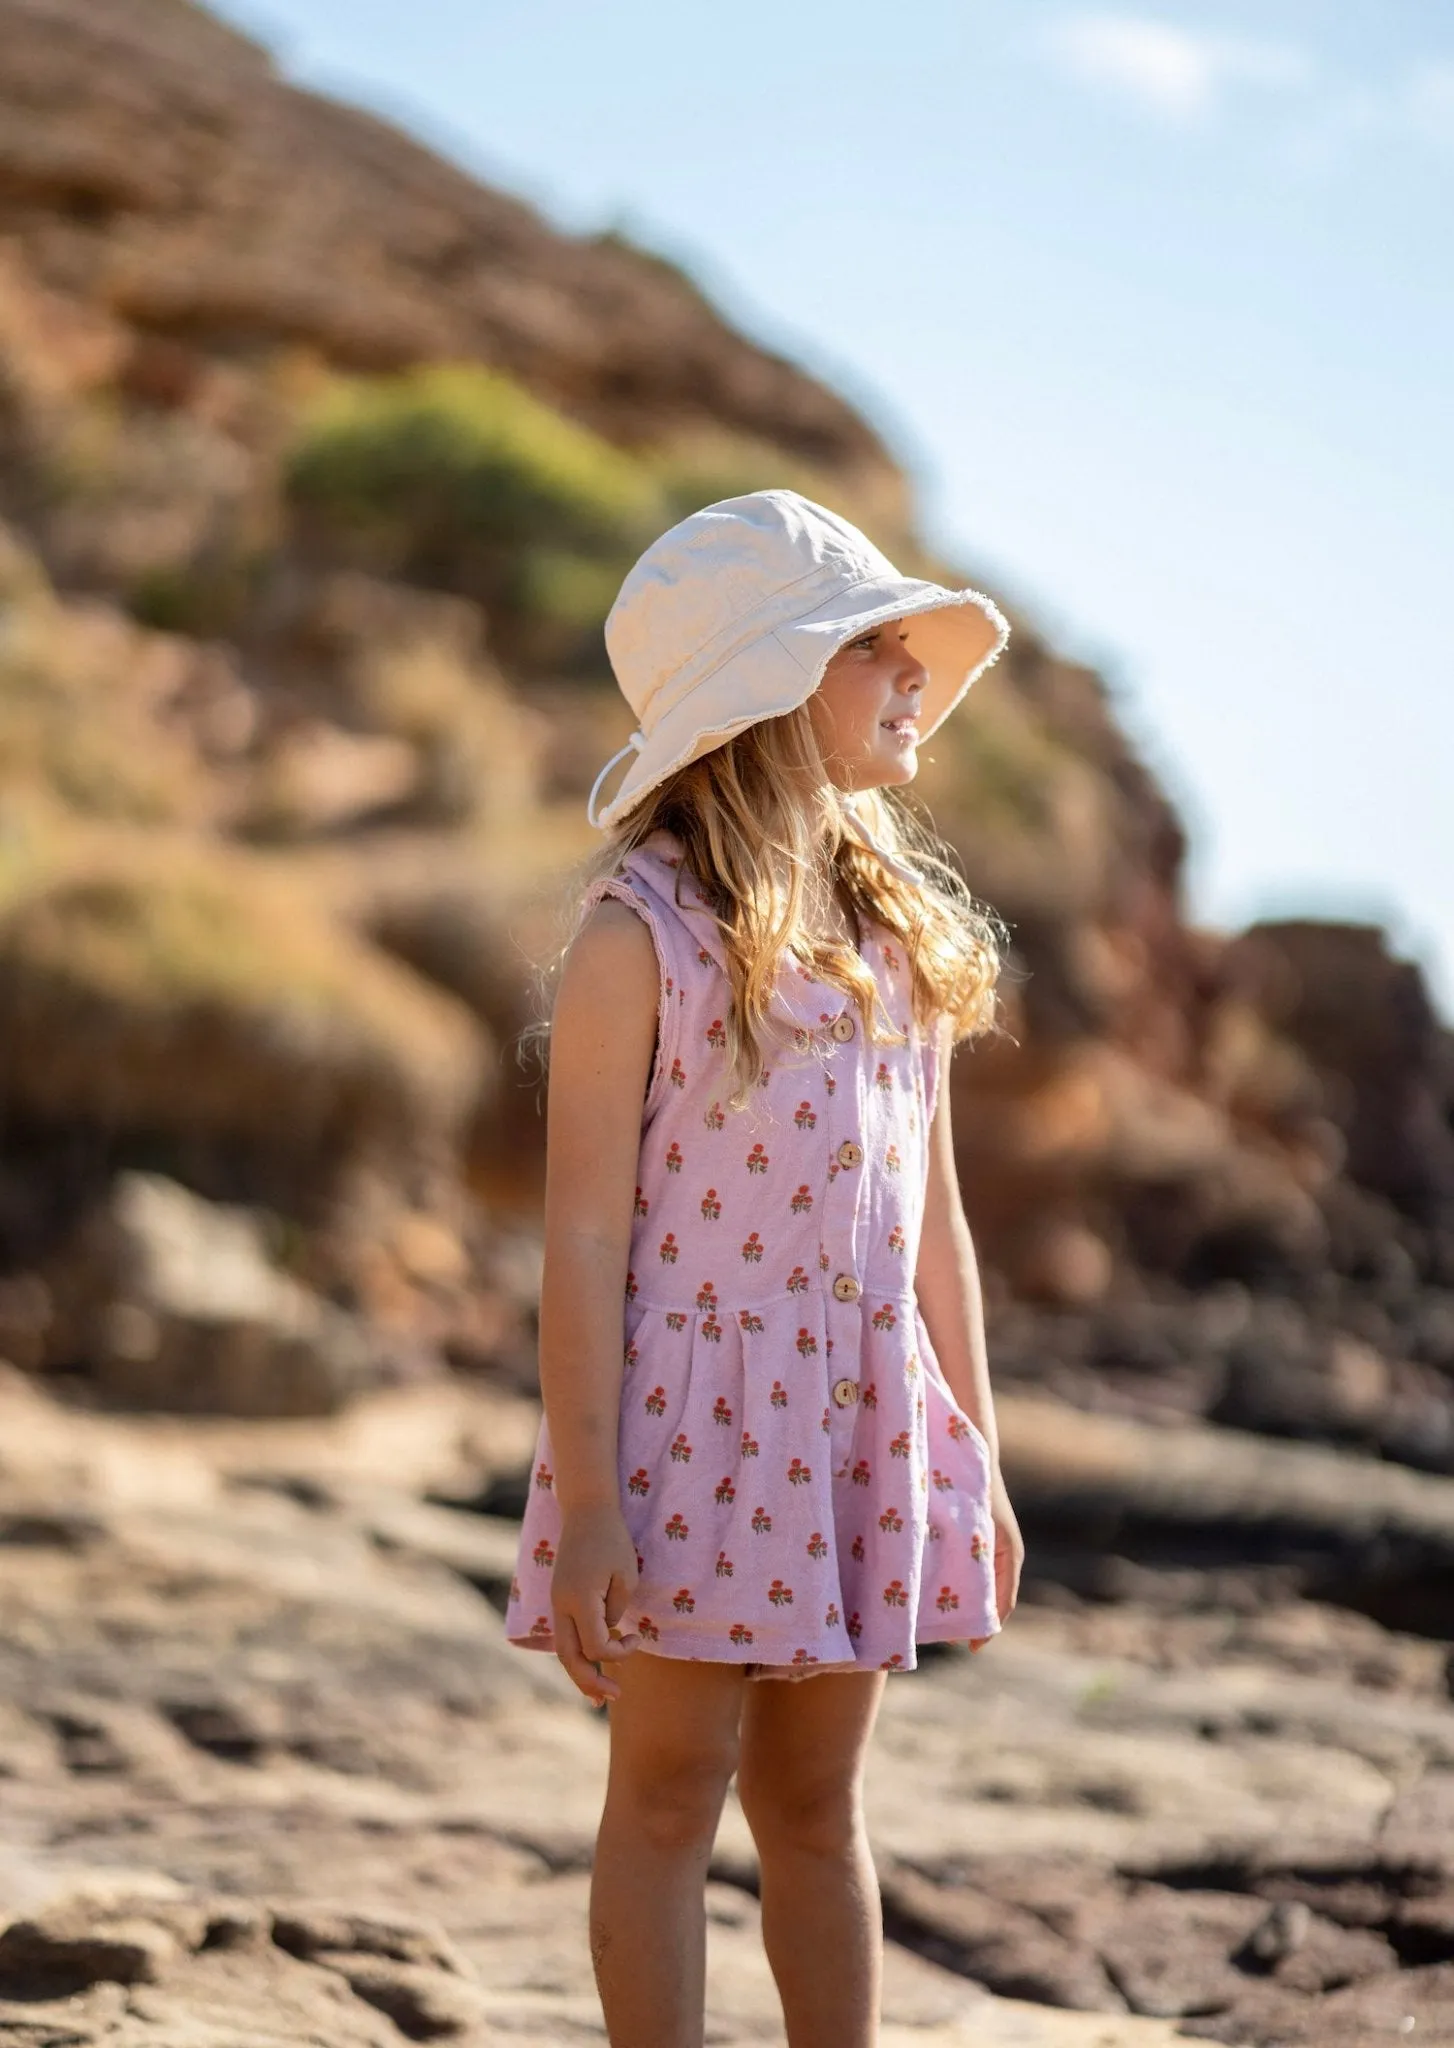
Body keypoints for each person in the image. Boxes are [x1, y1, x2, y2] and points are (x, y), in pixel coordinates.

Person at [505, 489, 1025, 2048]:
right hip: (691, 1430)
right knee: (667, 1796)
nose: (914, 676)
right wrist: (590, 1500)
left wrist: (976, 1457)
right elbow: (583, 1237)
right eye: (878, 650)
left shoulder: (893, 942)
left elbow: (933, 1227)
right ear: (772, 688)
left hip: (856, 1411)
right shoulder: (636, 939)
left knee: (817, 1802)